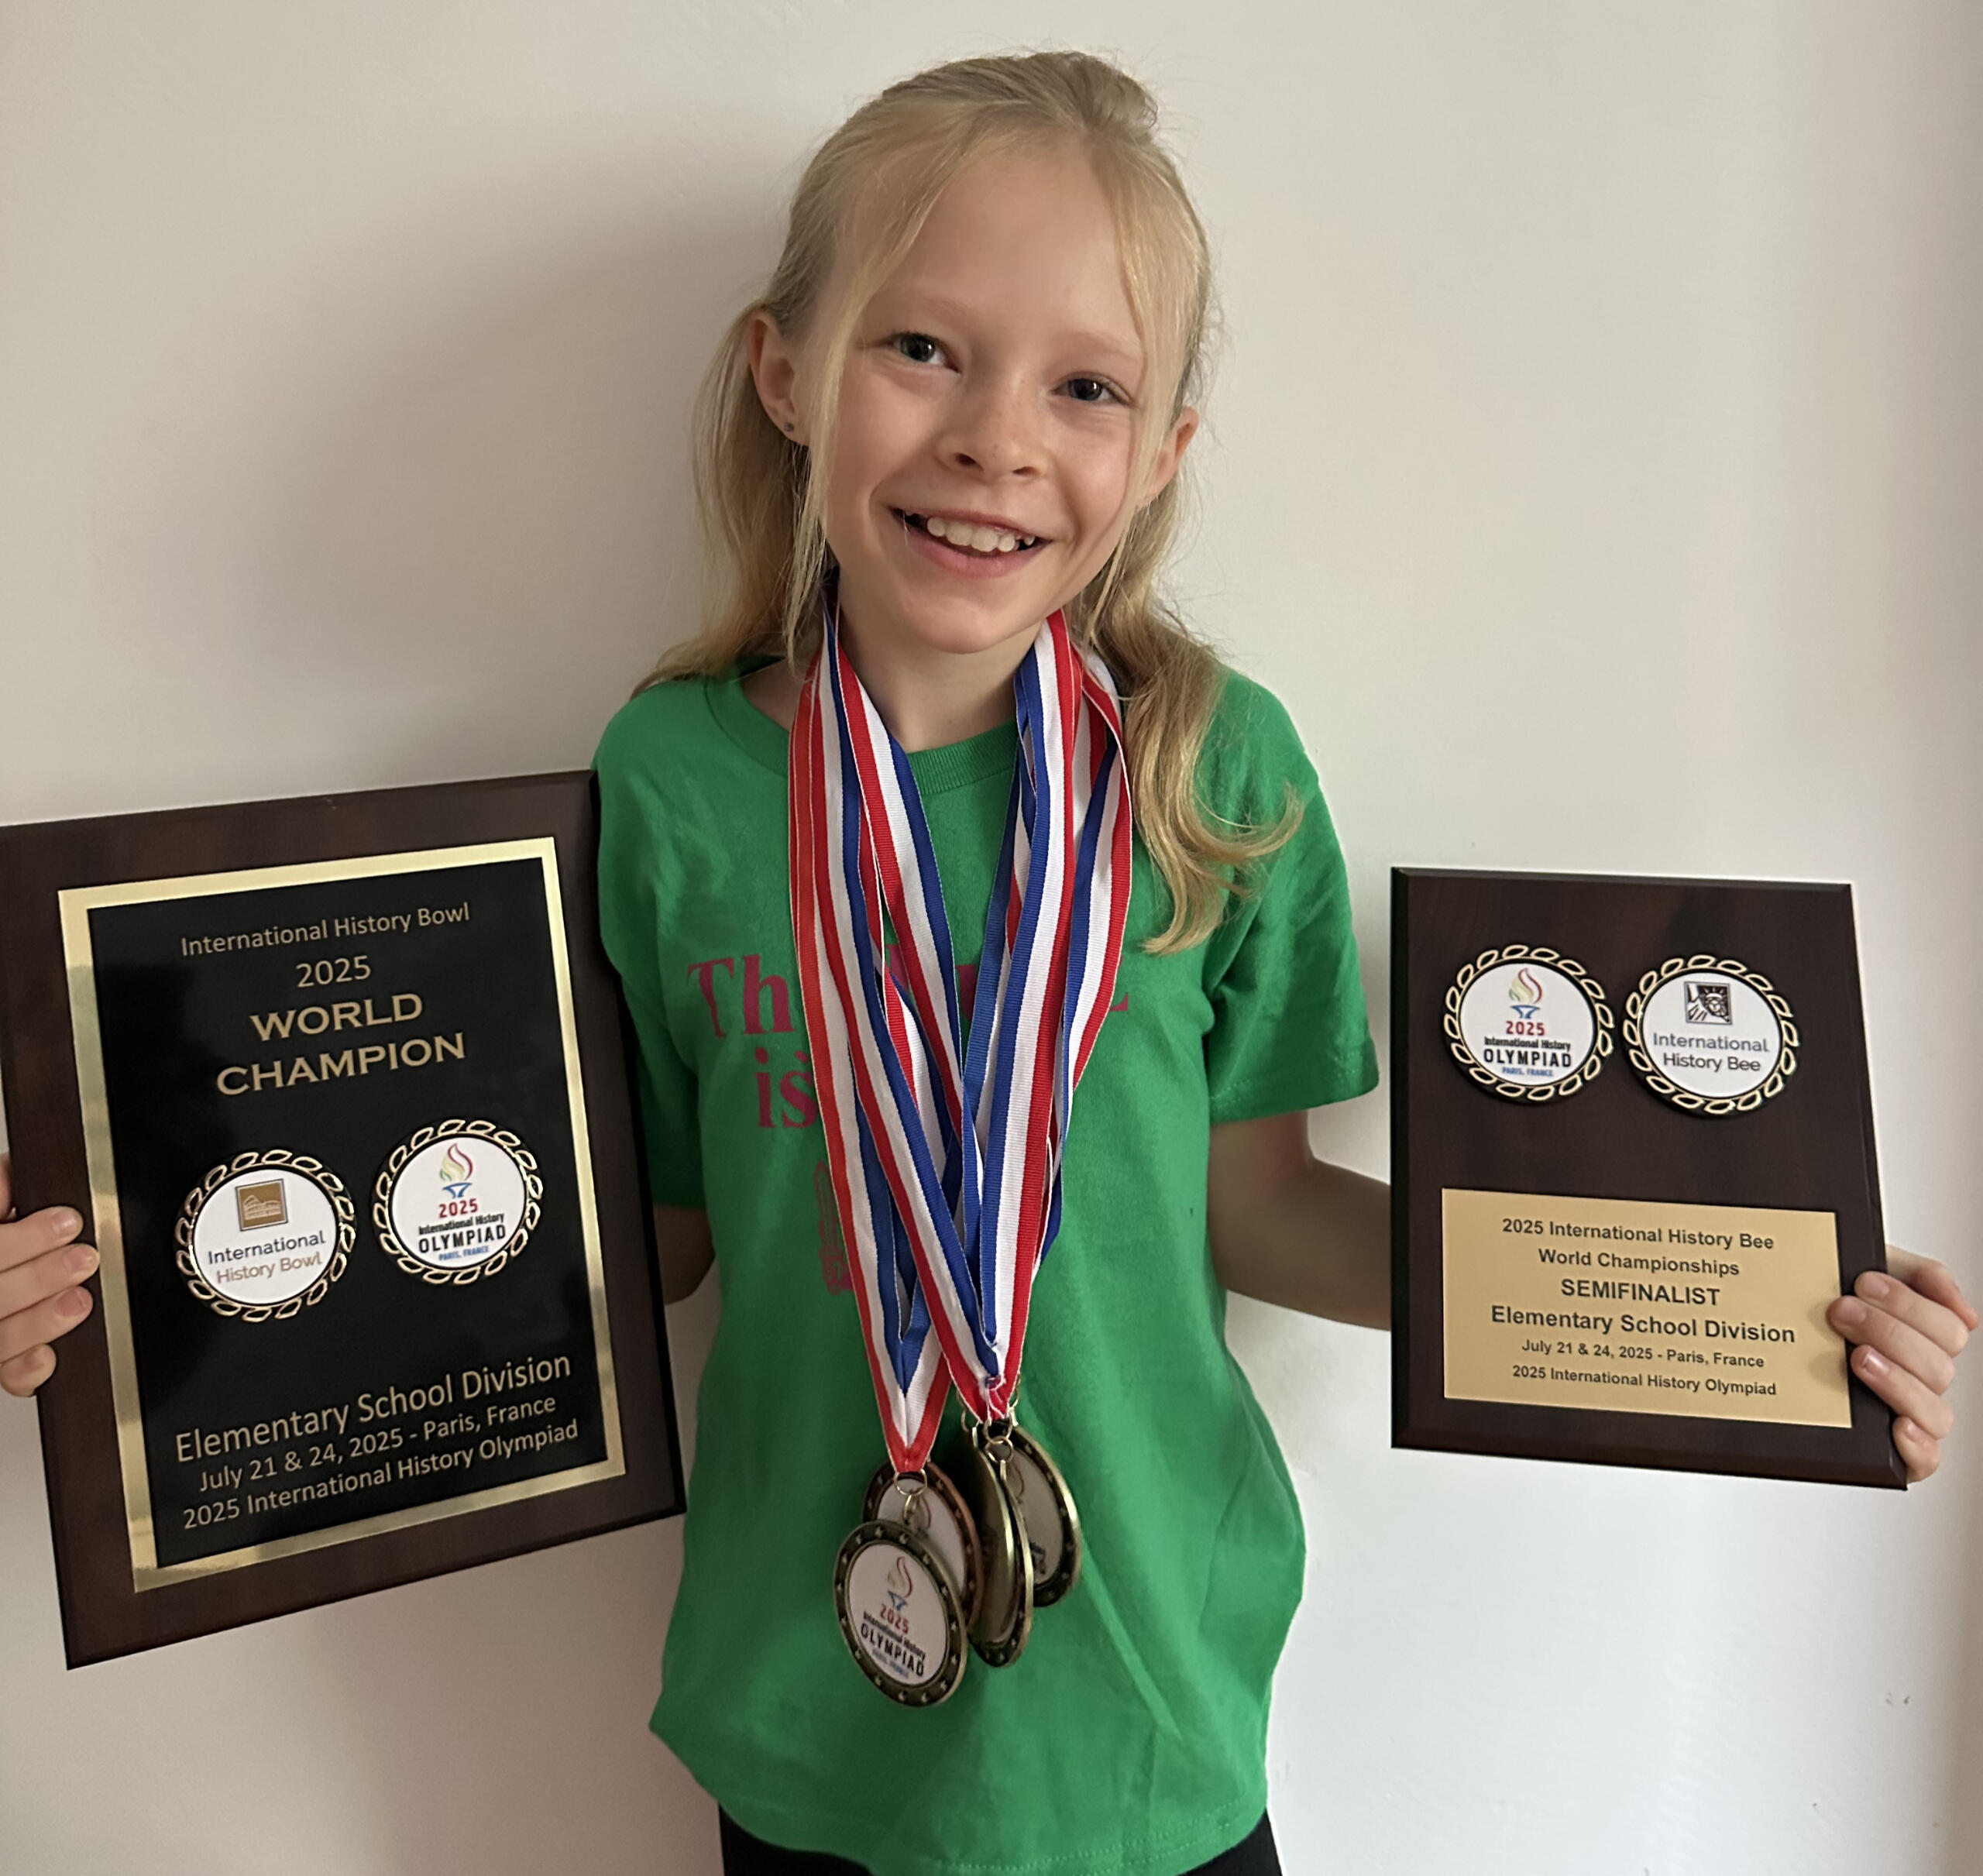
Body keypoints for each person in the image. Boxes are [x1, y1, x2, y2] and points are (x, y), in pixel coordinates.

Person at [1, 47, 1972, 1876]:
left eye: (1084, 388)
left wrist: (1748, 1323)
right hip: (802, 1709)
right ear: (786, 372)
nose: (995, 440)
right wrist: (145, 1291)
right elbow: (642, 1237)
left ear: (1163, 448)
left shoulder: (1217, 772)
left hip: (1146, 1721)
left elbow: (1261, 1209)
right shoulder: (667, 780)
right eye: (923, 348)